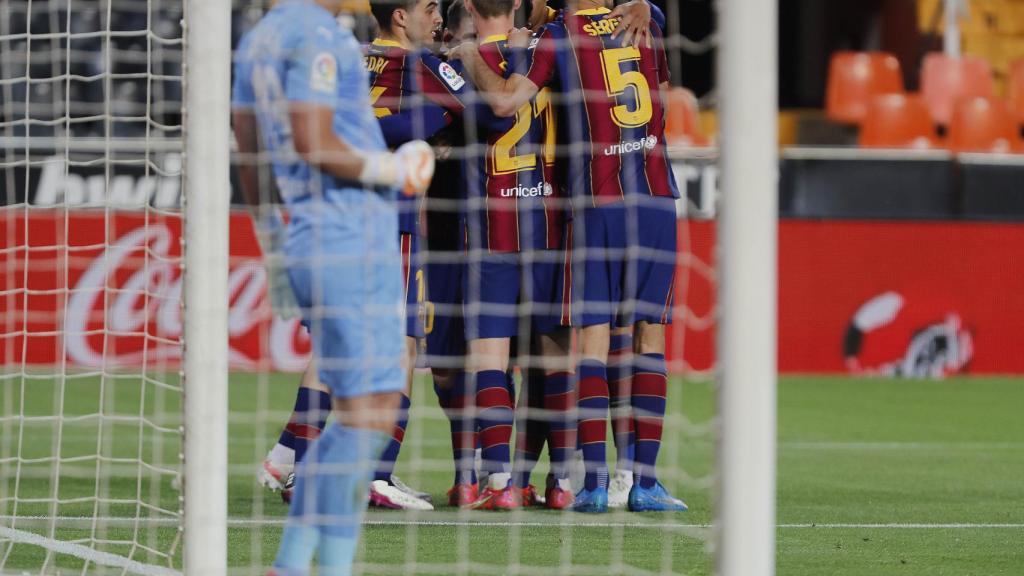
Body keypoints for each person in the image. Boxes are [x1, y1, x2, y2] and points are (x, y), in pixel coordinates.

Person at [453, 0, 687, 513]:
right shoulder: (645, 20)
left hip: (596, 203)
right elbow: (665, 93)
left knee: (593, 344)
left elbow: (507, 102)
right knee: (649, 338)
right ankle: (643, 483)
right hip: (654, 199)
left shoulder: (557, 38)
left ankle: (595, 485)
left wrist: (472, 54)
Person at [233, 0, 435, 572]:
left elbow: (247, 147)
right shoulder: (320, 36)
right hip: (350, 236)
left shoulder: (257, 39)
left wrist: (273, 242)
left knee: (355, 411)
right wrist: (392, 170)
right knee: (369, 415)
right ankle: (305, 562)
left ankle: (298, 562)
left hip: (307, 236)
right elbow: (312, 138)